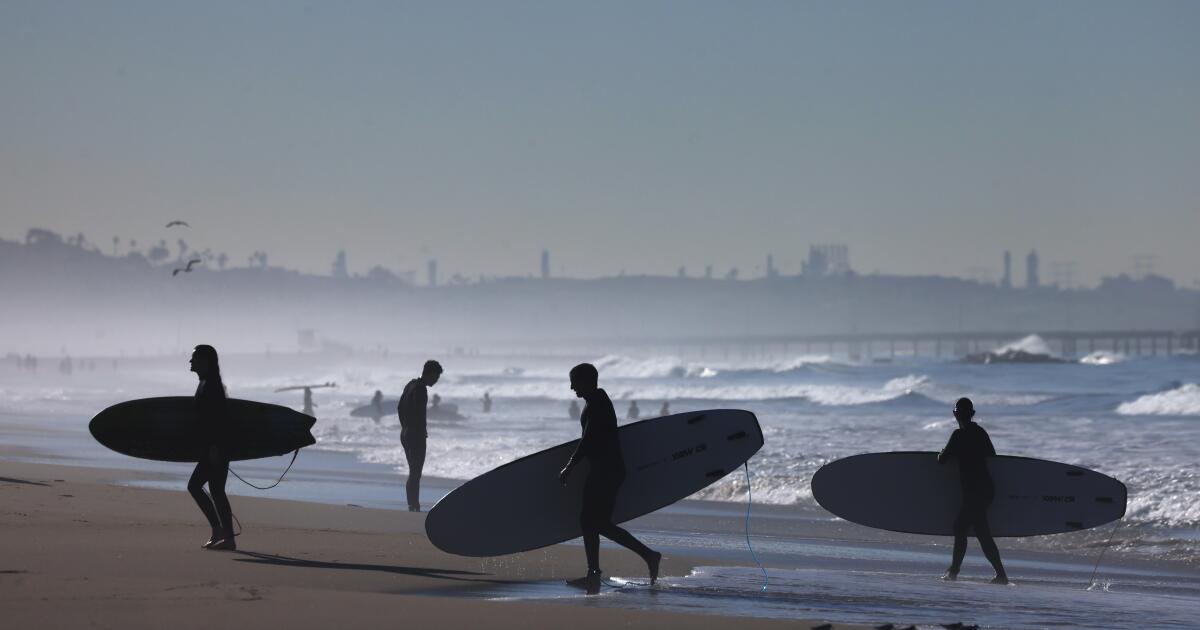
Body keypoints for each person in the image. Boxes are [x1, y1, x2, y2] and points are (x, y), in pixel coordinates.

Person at [559, 363, 661, 593]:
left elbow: (588, 441)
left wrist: (569, 467)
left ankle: (603, 571)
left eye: (575, 381)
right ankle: (602, 571)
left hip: (606, 471)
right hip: (605, 470)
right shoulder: (596, 401)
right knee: (594, 522)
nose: (572, 387)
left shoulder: (598, 403)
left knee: (592, 522)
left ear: (587, 381)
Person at [938, 397, 1008, 584]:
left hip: (973, 491)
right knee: (981, 531)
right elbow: (992, 455)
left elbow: (942, 460)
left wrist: (945, 451)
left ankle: (954, 571)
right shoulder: (980, 432)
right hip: (985, 488)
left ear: (955, 414)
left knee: (960, 527)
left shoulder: (958, 435)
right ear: (973, 414)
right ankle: (1001, 575)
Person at [186, 345, 236, 550]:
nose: (191, 361)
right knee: (215, 490)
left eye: (194, 358)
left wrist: (214, 447)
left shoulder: (211, 386)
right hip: (214, 445)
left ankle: (223, 534)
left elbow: (218, 419)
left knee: (200, 487)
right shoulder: (207, 382)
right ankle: (223, 534)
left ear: (205, 361)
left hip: (217, 446)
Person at [398, 360, 442, 512]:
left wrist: (405, 426)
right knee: (415, 472)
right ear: (430, 374)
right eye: (436, 377)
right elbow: (420, 413)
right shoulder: (421, 390)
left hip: (405, 433)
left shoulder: (410, 384)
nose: (436, 381)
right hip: (415, 435)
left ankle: (413, 504)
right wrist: (421, 430)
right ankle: (413, 505)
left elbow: (400, 407)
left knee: (413, 471)